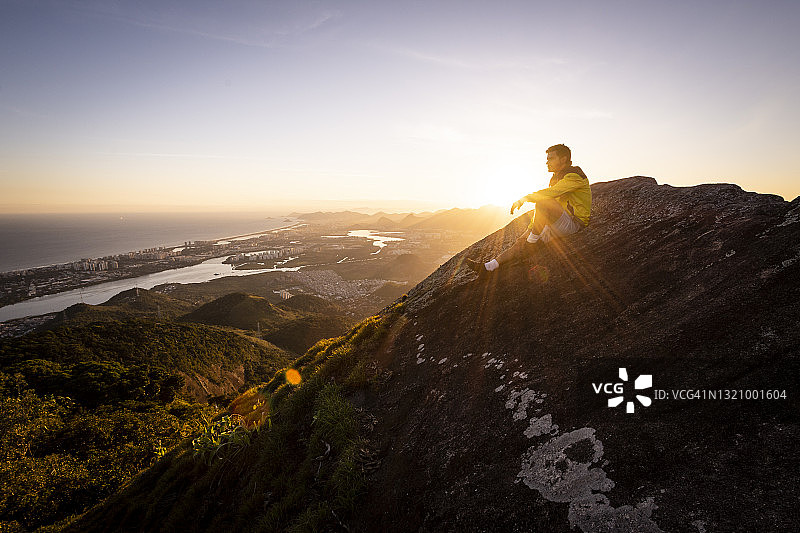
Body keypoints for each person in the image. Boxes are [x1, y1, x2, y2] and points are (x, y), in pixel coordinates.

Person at [465, 143, 591, 276]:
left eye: (551, 158)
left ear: (563, 159)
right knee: (520, 242)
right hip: (557, 222)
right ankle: (488, 267)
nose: (547, 162)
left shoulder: (574, 175)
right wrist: (532, 228)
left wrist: (525, 198)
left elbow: (550, 195)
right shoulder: (556, 177)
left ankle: (531, 243)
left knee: (543, 201)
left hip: (574, 224)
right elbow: (549, 208)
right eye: (547, 158)